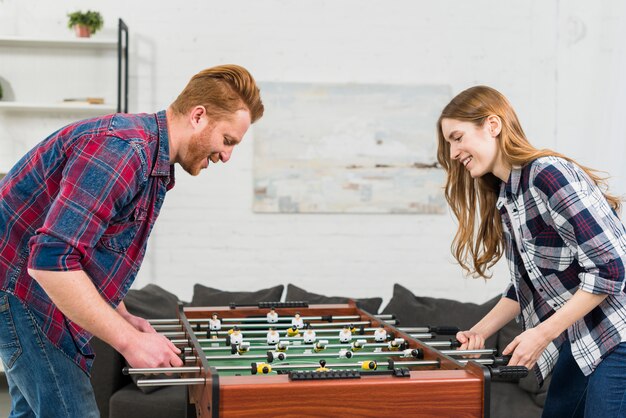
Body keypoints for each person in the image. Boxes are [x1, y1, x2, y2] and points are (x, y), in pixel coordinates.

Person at [0, 64, 264, 417]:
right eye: (227, 140)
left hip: (28, 288)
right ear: (198, 116)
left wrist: (121, 314)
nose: (226, 155)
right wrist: (129, 342)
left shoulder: (154, 163)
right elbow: (50, 261)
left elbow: (89, 249)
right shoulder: (124, 151)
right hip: (22, 291)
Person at [437, 85, 626, 417]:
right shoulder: (509, 197)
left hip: (618, 335)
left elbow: (611, 269)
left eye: (457, 137)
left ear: (492, 126)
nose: (453, 153)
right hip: (585, 336)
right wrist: (479, 332)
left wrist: (541, 334)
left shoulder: (547, 174)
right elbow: (526, 285)